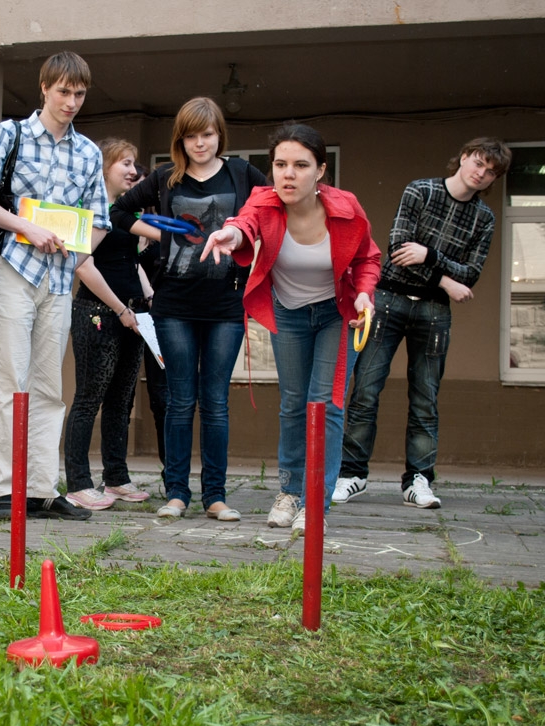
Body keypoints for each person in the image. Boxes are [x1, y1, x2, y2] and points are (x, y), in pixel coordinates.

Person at [201, 122, 381, 534]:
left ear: (320, 171)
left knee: (327, 405)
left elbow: (368, 258)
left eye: (301, 165)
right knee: (293, 404)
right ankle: (290, 492)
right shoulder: (264, 202)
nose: (288, 174)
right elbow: (243, 224)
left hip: (337, 313)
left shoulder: (346, 208)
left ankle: (316, 502)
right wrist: (230, 233)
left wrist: (365, 293)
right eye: (280, 164)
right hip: (290, 313)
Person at [333, 137, 513, 510]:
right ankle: (352, 474)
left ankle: (418, 480)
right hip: (388, 299)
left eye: (491, 171)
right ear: (463, 158)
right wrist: (446, 280)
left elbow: (472, 274)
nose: (481, 173)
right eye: (478, 163)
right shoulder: (421, 191)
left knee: (425, 398)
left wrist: (428, 255)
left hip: (433, 311)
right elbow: (399, 249)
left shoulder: (485, 218)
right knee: (366, 389)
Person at [110, 97, 266, 521]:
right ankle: (177, 493)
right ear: (181, 139)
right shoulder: (165, 179)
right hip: (174, 304)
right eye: (192, 135)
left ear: (220, 135)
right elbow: (119, 212)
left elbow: (269, 215)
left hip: (226, 304)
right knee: (180, 399)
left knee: (215, 402)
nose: (201, 143)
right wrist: (161, 236)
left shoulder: (242, 173)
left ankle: (215, 495)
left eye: (208, 134)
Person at [0, 51, 111, 522]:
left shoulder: (89, 152)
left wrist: (80, 252)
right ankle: (4, 490)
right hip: (15, 270)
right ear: (44, 88)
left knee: (49, 388)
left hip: (58, 282)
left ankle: (39, 488)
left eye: (79, 94)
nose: (71, 102)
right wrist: (26, 226)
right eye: (63, 92)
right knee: (9, 383)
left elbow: (99, 220)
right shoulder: (9, 134)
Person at [63, 138, 154, 510]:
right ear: (104, 168)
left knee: (122, 401)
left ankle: (115, 478)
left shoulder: (126, 214)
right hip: (98, 314)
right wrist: (120, 309)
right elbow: (83, 267)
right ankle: (78, 484)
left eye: (134, 164)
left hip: (132, 316)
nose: (134, 171)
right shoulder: (89, 208)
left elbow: (131, 264)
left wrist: (148, 302)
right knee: (89, 399)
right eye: (126, 164)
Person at [132, 160, 170, 486]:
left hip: (161, 321)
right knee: (124, 395)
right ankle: (116, 474)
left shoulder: (162, 226)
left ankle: (170, 469)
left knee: (163, 398)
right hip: (130, 314)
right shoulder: (122, 224)